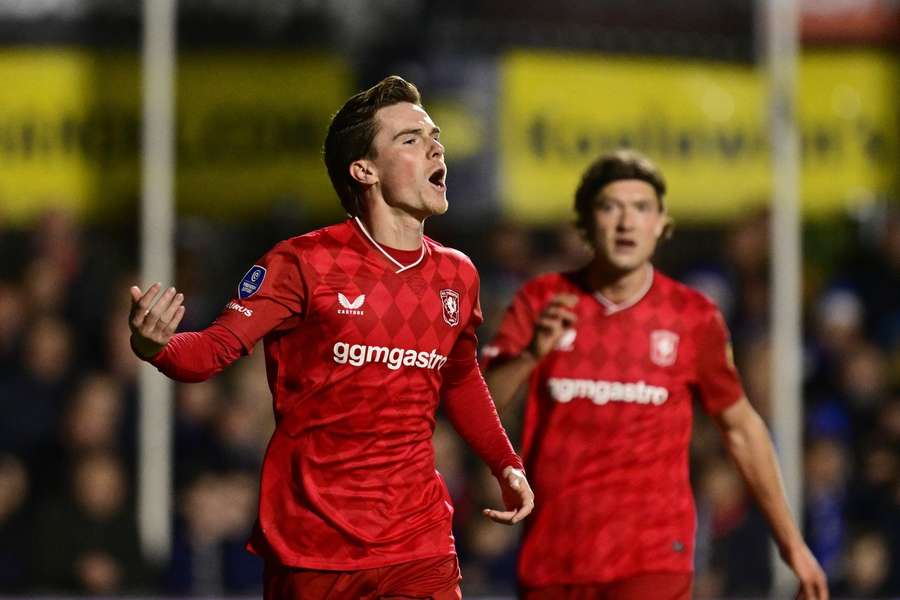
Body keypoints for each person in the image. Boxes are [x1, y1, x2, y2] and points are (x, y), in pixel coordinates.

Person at [128, 75, 533, 600]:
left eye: (434, 136)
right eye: (410, 139)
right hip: (314, 544)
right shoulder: (303, 263)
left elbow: (458, 376)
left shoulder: (457, 275)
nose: (436, 146)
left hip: (418, 540)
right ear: (364, 169)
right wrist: (154, 345)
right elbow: (211, 351)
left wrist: (506, 462)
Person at [481, 149, 828, 600]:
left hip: (652, 560)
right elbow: (477, 407)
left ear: (661, 224)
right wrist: (529, 356)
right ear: (587, 223)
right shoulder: (543, 299)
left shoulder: (692, 317)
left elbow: (741, 427)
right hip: (554, 555)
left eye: (641, 208)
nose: (626, 222)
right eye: (611, 207)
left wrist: (792, 544)